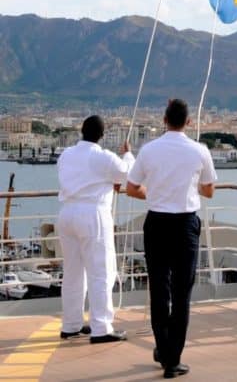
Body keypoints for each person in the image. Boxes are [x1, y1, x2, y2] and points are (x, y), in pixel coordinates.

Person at [126, 99, 216, 379]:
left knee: (159, 290)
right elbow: (209, 190)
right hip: (186, 225)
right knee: (181, 294)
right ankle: (172, 358)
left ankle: (163, 349)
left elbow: (131, 188)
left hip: (156, 223)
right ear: (188, 122)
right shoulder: (199, 151)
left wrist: (152, 194)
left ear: (164, 119)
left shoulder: (149, 150)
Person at [57, 115, 133, 343]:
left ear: (82, 131)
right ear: (102, 135)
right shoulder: (103, 157)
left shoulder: (66, 154)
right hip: (93, 214)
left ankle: (71, 324)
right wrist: (128, 153)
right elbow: (127, 173)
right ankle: (101, 327)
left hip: (66, 212)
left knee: (72, 272)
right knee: (101, 271)